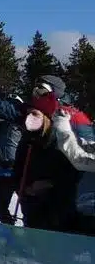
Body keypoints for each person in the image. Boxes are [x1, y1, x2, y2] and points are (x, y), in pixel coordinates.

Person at [13, 91, 81, 232]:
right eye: (30, 114)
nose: (31, 119)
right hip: (33, 212)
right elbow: (17, 173)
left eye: (36, 114)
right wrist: (27, 189)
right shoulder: (27, 142)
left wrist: (50, 185)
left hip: (60, 214)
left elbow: (75, 175)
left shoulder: (64, 140)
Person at [0, 96, 24, 224]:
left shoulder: (24, 124)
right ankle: (9, 230)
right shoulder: (0, 126)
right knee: (0, 206)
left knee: (29, 206)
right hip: (4, 171)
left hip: (20, 171)